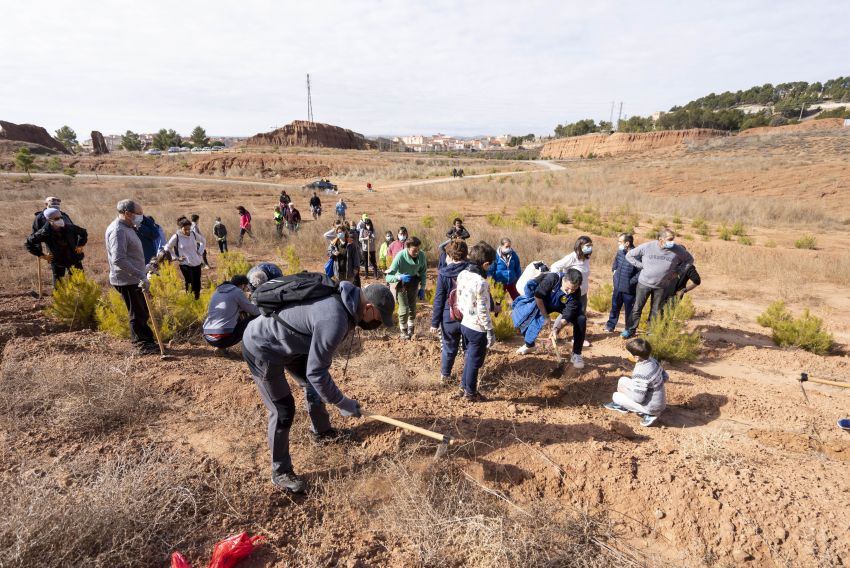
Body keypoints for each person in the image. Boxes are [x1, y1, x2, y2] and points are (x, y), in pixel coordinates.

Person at [242, 281, 395, 492]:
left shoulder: (345, 300)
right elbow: (317, 372)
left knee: (311, 386)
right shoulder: (335, 318)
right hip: (262, 346)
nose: (375, 325)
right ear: (368, 308)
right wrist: (343, 403)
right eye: (377, 319)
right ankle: (280, 472)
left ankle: (322, 432)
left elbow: (314, 371)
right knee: (283, 410)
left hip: (290, 345)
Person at [105, 199, 158, 355]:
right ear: (127, 213)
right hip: (126, 279)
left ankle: (148, 342)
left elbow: (131, 255)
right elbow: (119, 259)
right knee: (137, 313)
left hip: (134, 277)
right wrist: (140, 275)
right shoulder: (118, 231)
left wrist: (146, 268)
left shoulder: (129, 227)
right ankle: (142, 345)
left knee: (142, 311)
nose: (142, 216)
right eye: (139, 214)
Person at [623, 228, 694, 339]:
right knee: (637, 308)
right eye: (670, 239)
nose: (673, 242)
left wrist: (678, 271)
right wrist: (641, 266)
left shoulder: (678, 249)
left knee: (656, 310)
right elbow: (629, 255)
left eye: (673, 239)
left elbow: (689, 259)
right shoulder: (648, 246)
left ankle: (651, 332)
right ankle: (630, 330)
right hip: (644, 284)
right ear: (661, 239)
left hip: (662, 286)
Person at [512, 269, 586, 369]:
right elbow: (538, 296)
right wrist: (546, 317)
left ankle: (576, 354)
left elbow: (569, 312)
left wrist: (556, 329)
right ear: (564, 280)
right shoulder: (552, 278)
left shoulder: (576, 292)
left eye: (573, 289)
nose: (569, 292)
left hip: (563, 306)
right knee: (531, 319)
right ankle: (530, 345)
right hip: (545, 303)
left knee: (581, 319)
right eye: (568, 288)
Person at [454, 241, 497, 401]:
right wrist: (489, 330)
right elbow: (483, 309)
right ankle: (470, 393)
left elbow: (458, 298)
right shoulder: (481, 282)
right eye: (490, 265)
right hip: (477, 328)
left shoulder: (463, 274)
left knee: (469, 359)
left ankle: (463, 387)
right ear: (485, 264)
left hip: (465, 323)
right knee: (474, 362)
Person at [604, 338, 668, 426]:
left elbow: (638, 398)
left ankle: (650, 415)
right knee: (622, 380)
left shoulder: (640, 372)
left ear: (636, 357)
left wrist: (625, 391)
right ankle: (626, 405)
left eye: (630, 353)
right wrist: (653, 388)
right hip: (660, 402)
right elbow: (665, 376)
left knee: (616, 396)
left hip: (652, 407)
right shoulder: (652, 360)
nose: (629, 355)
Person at [430, 240, 469, 384]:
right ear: (466, 254)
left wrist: (434, 323)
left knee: (449, 348)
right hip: (469, 317)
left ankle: (445, 377)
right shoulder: (472, 270)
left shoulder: (444, 273)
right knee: (469, 349)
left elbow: (439, 299)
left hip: (449, 317)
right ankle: (467, 379)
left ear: (450, 256)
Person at [25, 207, 88, 284]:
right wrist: (41, 255)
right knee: (59, 284)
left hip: (73, 257)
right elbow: (28, 243)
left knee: (79, 280)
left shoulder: (69, 227)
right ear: (49, 220)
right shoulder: (44, 233)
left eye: (60, 217)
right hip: (58, 261)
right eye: (56, 218)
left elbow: (83, 233)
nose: (60, 220)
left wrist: (80, 245)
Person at [203, 274, 260, 354]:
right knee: (256, 318)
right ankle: (253, 350)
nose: (246, 290)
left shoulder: (217, 291)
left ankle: (221, 348)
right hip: (222, 339)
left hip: (208, 336)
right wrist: (265, 310)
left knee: (238, 316)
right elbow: (253, 311)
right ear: (243, 285)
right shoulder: (237, 291)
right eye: (246, 287)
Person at [384, 235, 427, 340]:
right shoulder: (400, 256)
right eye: (414, 250)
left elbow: (423, 272)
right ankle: (403, 331)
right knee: (404, 308)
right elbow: (388, 277)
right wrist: (399, 277)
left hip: (414, 282)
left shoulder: (421, 255)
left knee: (412, 307)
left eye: (418, 249)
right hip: (402, 283)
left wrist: (422, 288)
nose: (417, 252)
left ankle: (411, 330)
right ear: (407, 248)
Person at [606, 233, 640, 333]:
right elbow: (615, 263)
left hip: (629, 289)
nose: (618, 244)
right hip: (617, 286)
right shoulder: (620, 252)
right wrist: (614, 271)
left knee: (629, 311)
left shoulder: (637, 255)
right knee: (615, 307)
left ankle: (628, 330)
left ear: (627, 243)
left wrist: (631, 282)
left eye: (620, 242)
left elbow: (640, 271)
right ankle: (610, 326)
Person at [551, 235, 593, 313]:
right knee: (566, 314)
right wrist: (561, 282)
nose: (590, 248)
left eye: (591, 246)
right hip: (571, 293)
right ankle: (556, 326)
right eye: (587, 246)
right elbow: (555, 266)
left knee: (581, 316)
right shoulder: (572, 257)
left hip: (583, 293)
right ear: (580, 245)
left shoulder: (586, 258)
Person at [167, 217, 205, 299]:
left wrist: (200, 252)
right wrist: (176, 258)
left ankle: (197, 300)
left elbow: (203, 241)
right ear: (181, 228)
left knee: (197, 282)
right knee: (189, 283)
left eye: (189, 229)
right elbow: (167, 248)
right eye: (185, 229)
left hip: (196, 262)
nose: (187, 231)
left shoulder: (193, 234)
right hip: (185, 263)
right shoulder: (176, 236)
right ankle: (190, 301)